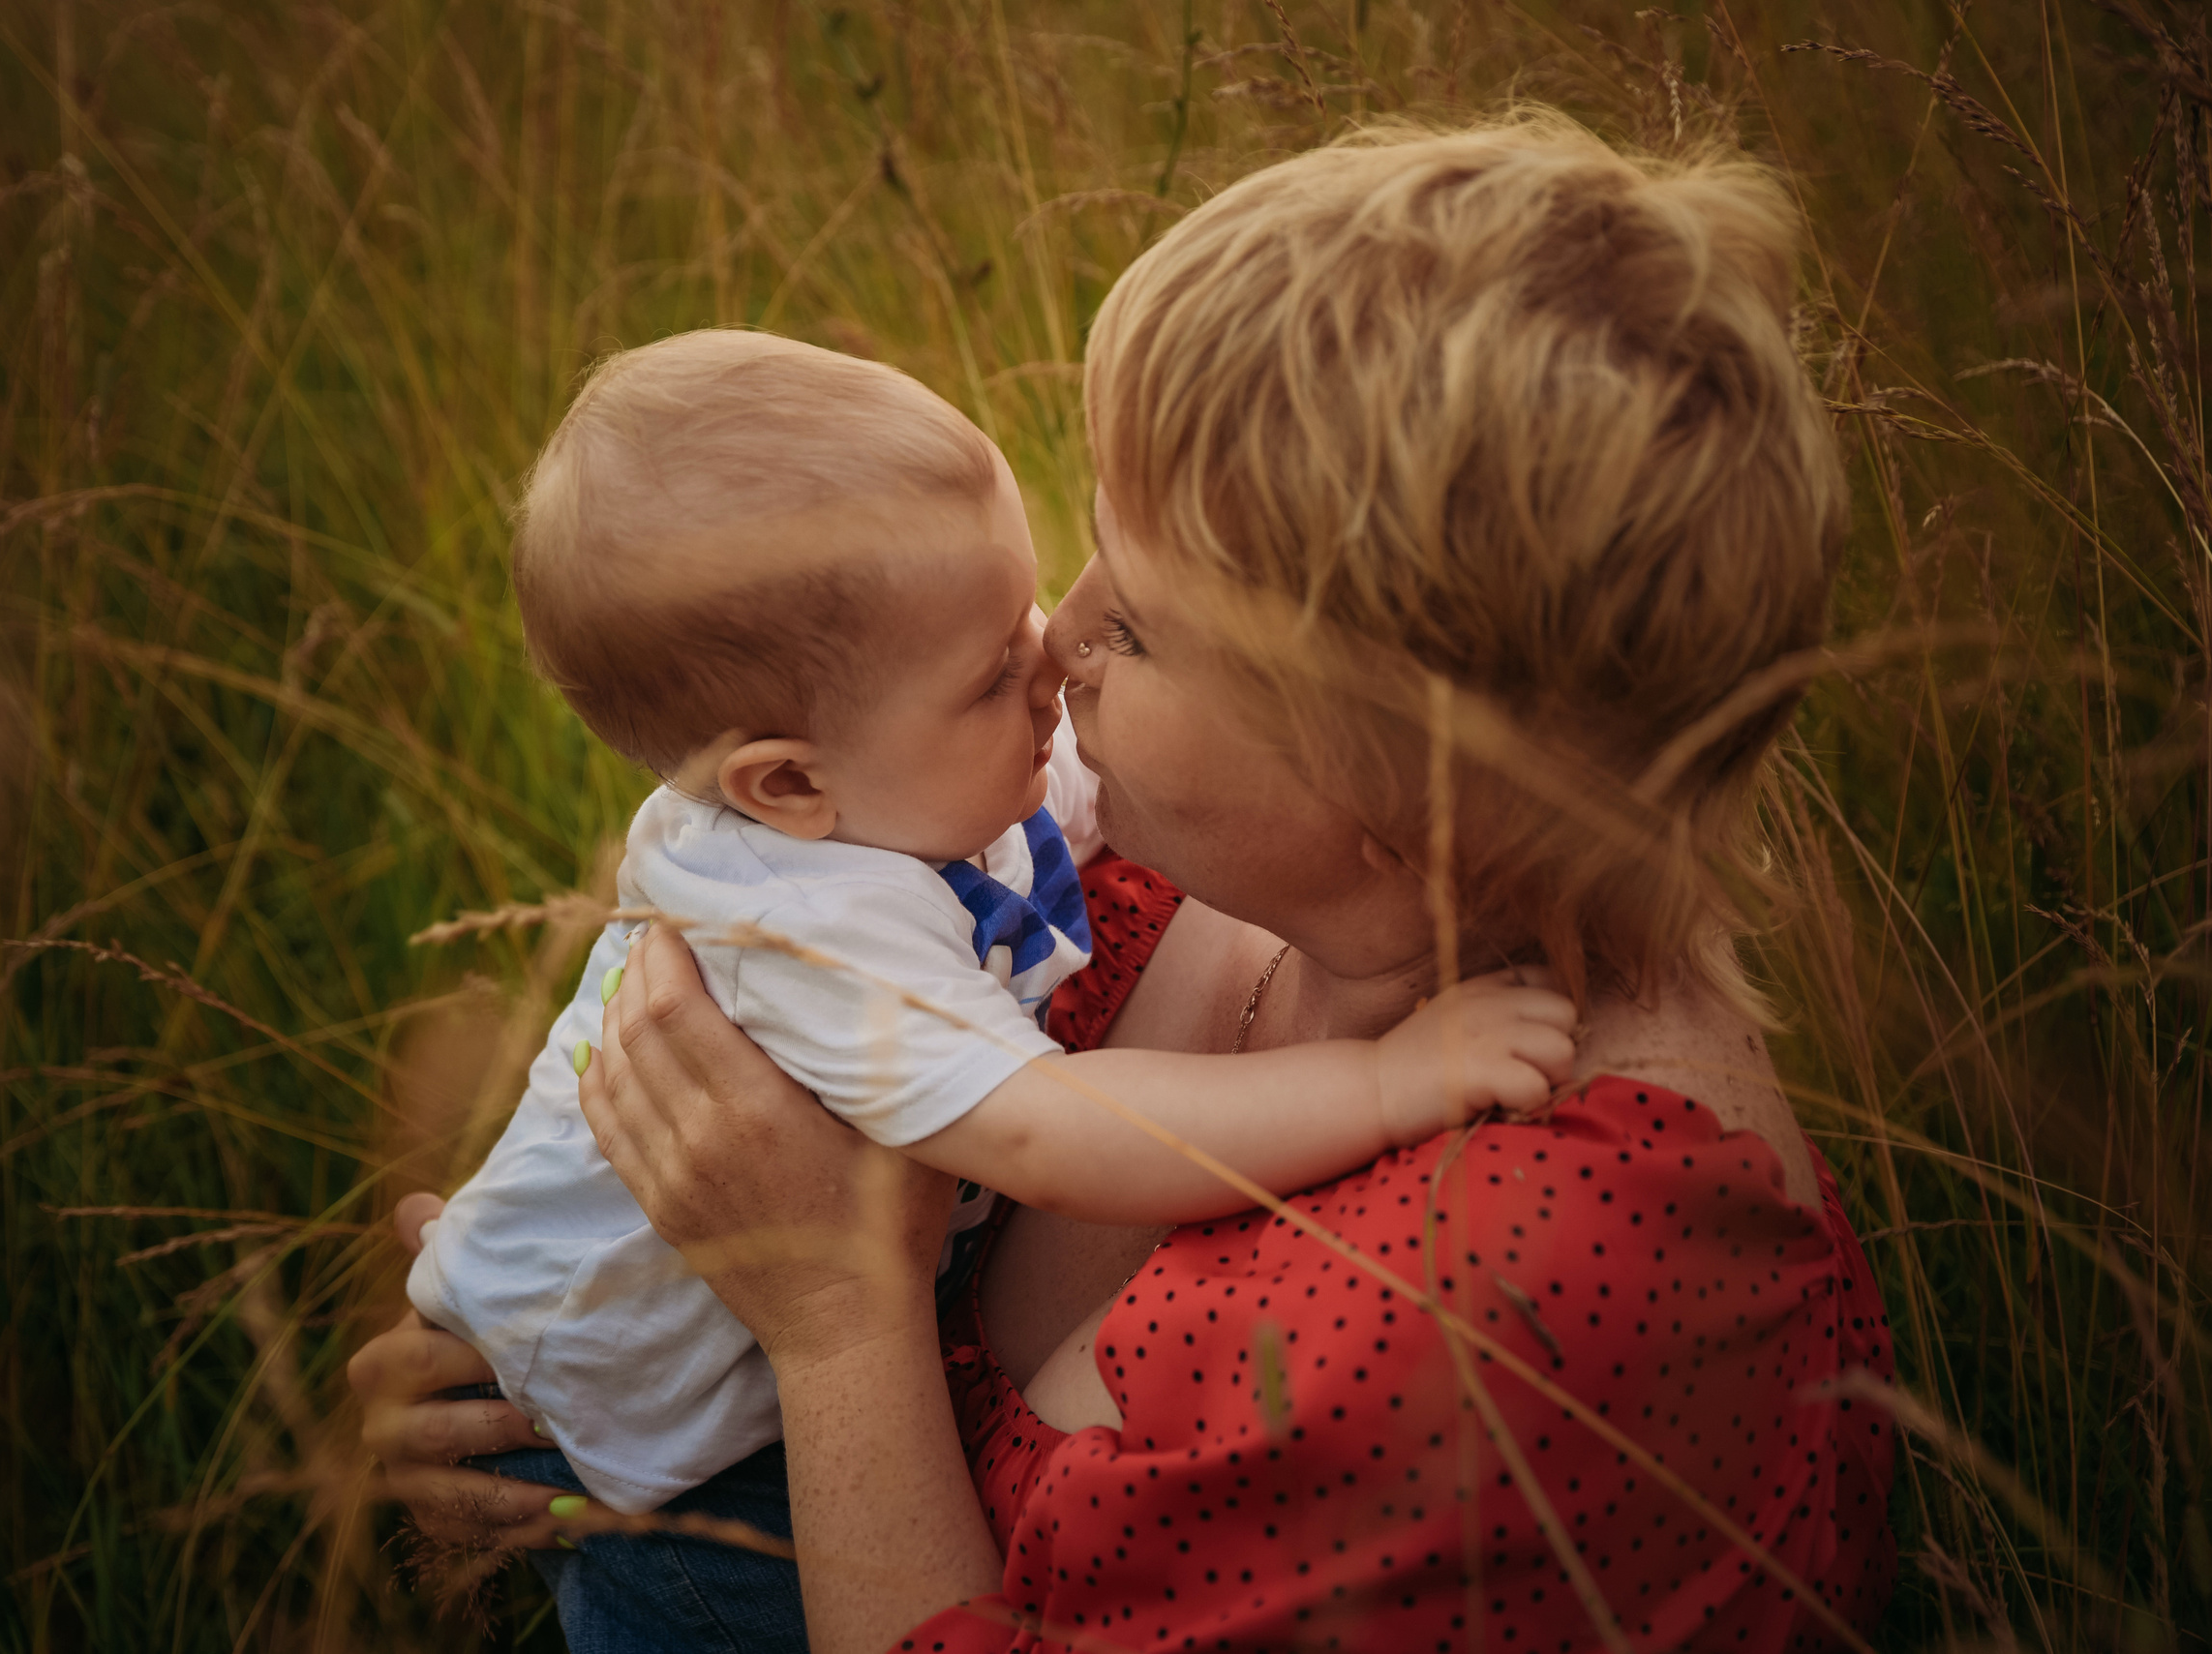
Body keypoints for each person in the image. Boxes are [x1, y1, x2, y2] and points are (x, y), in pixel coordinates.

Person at [352, 112, 1899, 1651]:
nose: (1058, 637)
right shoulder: (1171, 879)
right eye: (1087, 547)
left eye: (1142, 628)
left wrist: (832, 1330)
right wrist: (531, 1350)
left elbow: (864, 1272)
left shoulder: (1503, 1298)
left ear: (1393, 776)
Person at [405, 329, 1579, 1649]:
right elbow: (1045, 1128)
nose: (1051, 660)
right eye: (988, 672)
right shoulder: (812, 921)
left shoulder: (898, 777)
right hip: (673, 1468)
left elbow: (1077, 804)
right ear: (786, 783)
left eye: (1040, 614)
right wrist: (1384, 1081)